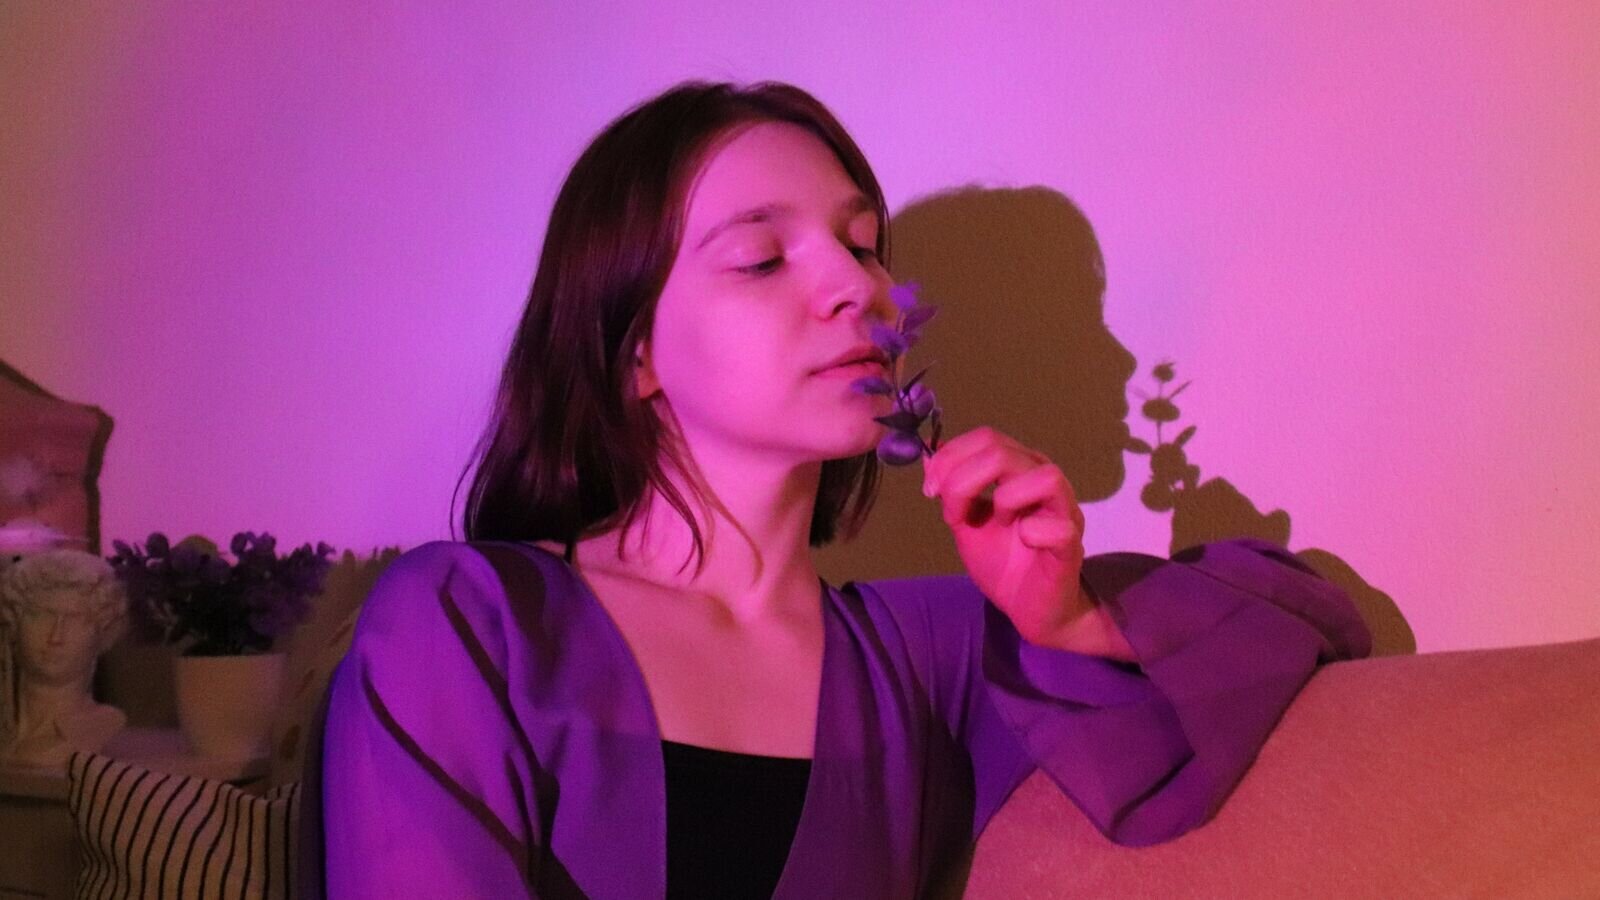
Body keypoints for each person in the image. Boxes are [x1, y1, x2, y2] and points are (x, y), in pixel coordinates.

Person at [302, 80, 1372, 899]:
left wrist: (1070, 620)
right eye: (762, 258)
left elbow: (1307, 614)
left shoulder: (931, 652)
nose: (857, 287)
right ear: (635, 353)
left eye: (863, 246)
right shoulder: (470, 624)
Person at [0, 548, 128, 769]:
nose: (56, 636)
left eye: (75, 619)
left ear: (102, 630)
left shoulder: (96, 726)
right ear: (15, 624)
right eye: (40, 615)